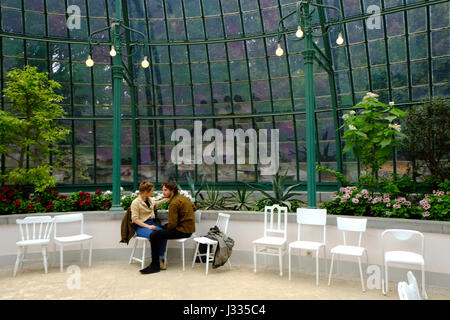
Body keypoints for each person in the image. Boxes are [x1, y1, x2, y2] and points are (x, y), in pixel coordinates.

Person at [140, 181, 196, 274]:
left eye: (165, 190)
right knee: (160, 231)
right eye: (163, 190)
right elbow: (194, 207)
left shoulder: (174, 203)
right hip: (187, 229)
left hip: (182, 231)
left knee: (154, 235)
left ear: (172, 190)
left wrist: (164, 228)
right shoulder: (182, 198)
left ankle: (155, 265)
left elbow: (172, 225)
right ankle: (158, 261)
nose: (163, 192)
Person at [131, 181, 169, 270]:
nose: (153, 192)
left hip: (152, 224)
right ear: (145, 191)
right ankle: (155, 261)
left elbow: (156, 204)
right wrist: (148, 227)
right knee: (155, 235)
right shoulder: (135, 203)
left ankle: (159, 259)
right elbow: (135, 219)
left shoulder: (150, 200)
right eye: (151, 191)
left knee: (164, 234)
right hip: (141, 227)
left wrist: (167, 198)